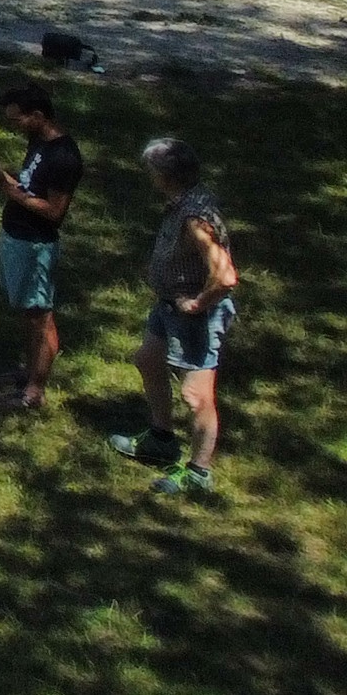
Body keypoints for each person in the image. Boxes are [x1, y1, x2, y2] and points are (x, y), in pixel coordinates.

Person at [110, 135, 241, 497]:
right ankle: (161, 439)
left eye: (151, 171)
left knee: (196, 397)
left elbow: (226, 276)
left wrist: (198, 305)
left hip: (193, 316)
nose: (148, 176)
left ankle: (198, 473)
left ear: (165, 176)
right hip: (168, 304)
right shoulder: (186, 199)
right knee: (148, 360)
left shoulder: (195, 217)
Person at [0, 82, 81, 410]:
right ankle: (29, 371)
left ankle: (34, 392)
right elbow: (30, 188)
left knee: (40, 316)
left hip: (36, 245)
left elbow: (54, 211)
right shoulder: (38, 141)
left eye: (17, 120)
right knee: (28, 313)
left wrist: (7, 189)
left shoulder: (64, 158)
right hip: (17, 238)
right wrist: (5, 179)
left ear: (39, 115)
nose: (13, 126)